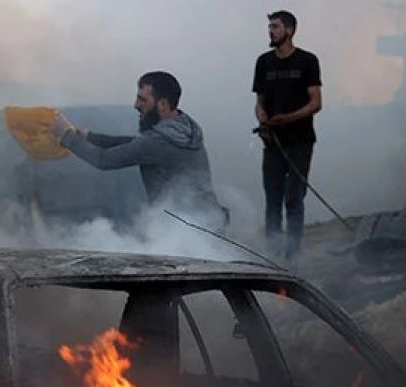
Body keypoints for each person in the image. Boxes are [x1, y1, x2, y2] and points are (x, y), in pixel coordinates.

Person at [48, 71, 229, 232]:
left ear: (163, 104)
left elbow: (103, 160)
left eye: (142, 100)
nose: (135, 105)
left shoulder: (157, 143)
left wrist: (66, 136)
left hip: (187, 231)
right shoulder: (185, 126)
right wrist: (90, 136)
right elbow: (136, 144)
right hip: (209, 222)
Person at [252, 10, 322, 260]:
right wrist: (264, 122)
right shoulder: (263, 62)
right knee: (272, 200)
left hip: (300, 142)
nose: (271, 31)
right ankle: (272, 257)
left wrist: (287, 119)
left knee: (293, 199)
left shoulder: (307, 61)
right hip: (273, 143)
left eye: (275, 27)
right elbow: (259, 102)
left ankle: (292, 258)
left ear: (289, 30)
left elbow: (316, 103)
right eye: (270, 27)